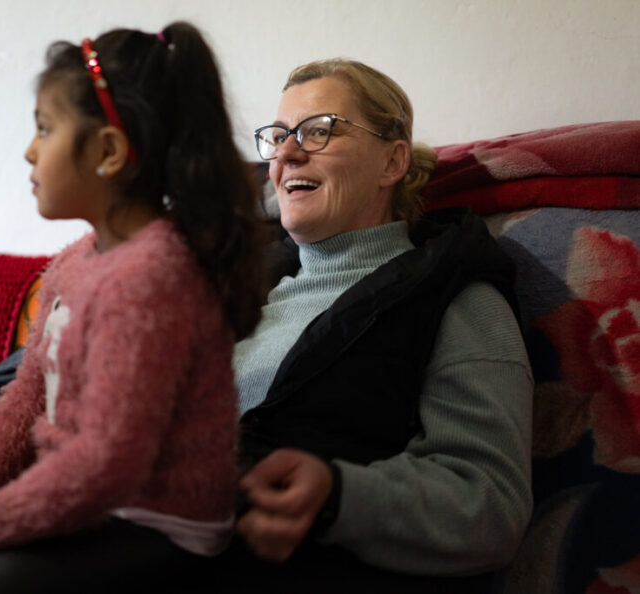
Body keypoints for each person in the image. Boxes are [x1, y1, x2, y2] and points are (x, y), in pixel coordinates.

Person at [0, 21, 264, 594]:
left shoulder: (151, 278)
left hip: (155, 527)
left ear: (107, 151)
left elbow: (108, 464)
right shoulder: (79, 259)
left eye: (46, 128)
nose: (30, 150)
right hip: (87, 502)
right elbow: (27, 395)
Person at [220, 59, 534, 591]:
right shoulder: (240, 291)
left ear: (392, 162)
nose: (286, 153)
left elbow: (490, 503)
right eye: (277, 137)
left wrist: (339, 496)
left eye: (318, 131)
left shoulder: (453, 296)